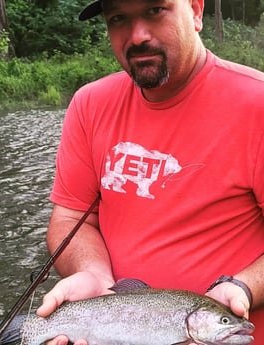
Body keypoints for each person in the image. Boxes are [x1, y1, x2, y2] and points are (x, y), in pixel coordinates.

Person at [37, 0, 264, 343]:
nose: (137, 35)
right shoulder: (89, 105)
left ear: (197, 11)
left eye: (155, 10)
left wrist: (243, 286)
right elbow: (69, 219)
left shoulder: (257, 105)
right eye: (118, 19)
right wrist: (93, 275)